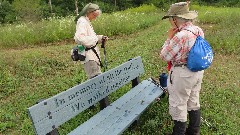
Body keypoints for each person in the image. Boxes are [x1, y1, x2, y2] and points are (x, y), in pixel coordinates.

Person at [160, 2, 204, 135]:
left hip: (182, 73)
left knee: (179, 104)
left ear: (175, 19)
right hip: (197, 71)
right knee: (193, 100)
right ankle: (193, 131)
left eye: (170, 18)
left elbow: (164, 56)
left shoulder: (180, 36)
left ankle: (179, 133)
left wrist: (168, 38)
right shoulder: (198, 30)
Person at [74, 3, 109, 110]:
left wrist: (100, 38)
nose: (95, 17)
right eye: (94, 15)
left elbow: (90, 37)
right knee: (96, 79)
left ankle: (91, 102)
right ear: (89, 12)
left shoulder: (86, 21)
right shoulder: (82, 22)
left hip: (92, 54)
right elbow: (80, 39)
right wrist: (95, 39)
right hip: (89, 56)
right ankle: (99, 104)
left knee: (95, 78)